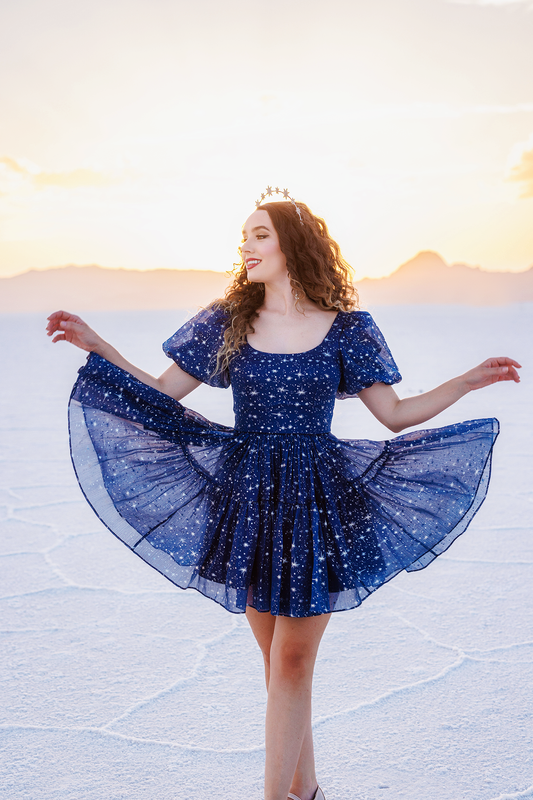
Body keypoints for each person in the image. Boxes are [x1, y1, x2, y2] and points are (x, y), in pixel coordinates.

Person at [46, 190, 521, 800]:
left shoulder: (349, 330)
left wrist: (468, 380)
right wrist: (101, 348)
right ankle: (310, 792)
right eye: (244, 236)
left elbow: (396, 415)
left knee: (294, 663)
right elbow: (164, 393)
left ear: (294, 244)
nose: (246, 246)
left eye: (260, 234)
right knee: (279, 668)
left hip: (318, 503)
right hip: (247, 500)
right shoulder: (228, 321)